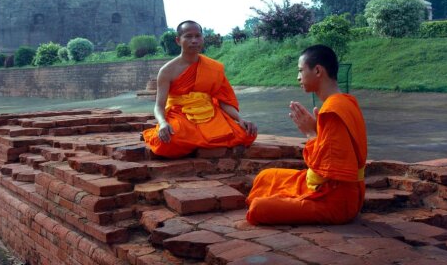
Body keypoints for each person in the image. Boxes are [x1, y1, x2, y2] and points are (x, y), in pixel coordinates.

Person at [245, 44, 367, 225]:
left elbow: (326, 169)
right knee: (266, 176)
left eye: (301, 71)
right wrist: (317, 130)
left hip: (336, 200)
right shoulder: (344, 102)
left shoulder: (334, 110)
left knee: (258, 208)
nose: (298, 77)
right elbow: (334, 152)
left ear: (318, 70)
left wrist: (310, 133)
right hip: (325, 186)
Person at [142, 20, 258, 158]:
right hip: (180, 114)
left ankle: (195, 143)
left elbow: (223, 102)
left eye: (198, 36)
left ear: (203, 39)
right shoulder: (167, 71)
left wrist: (240, 119)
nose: (194, 40)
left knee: (246, 134)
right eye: (188, 36)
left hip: (209, 113)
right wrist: (162, 123)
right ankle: (195, 141)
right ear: (178, 40)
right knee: (167, 142)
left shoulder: (214, 67)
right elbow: (159, 106)